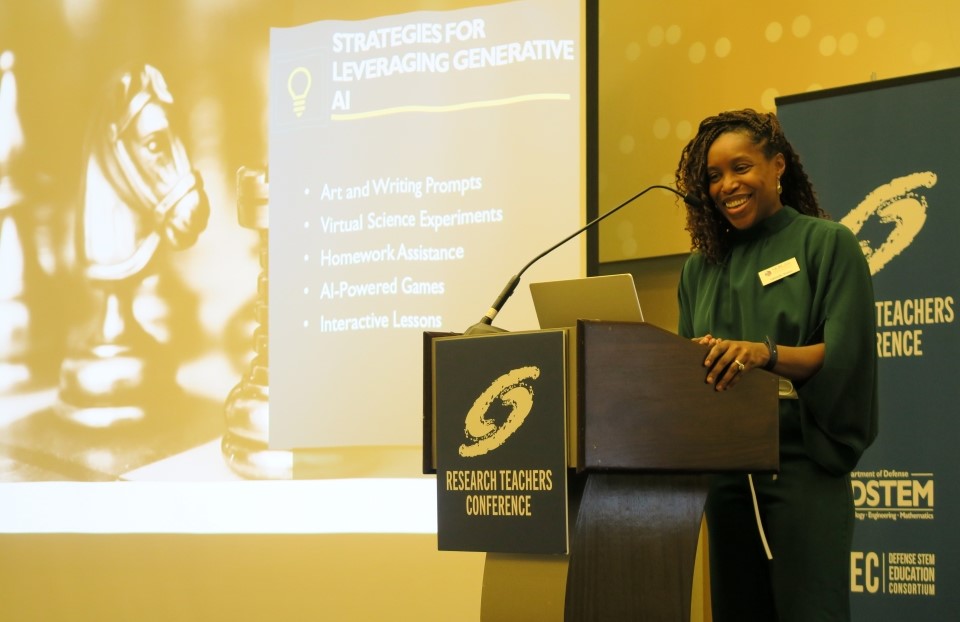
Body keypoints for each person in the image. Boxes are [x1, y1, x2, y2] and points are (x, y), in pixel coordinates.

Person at [674, 109, 878, 621]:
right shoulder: (699, 268)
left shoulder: (826, 243)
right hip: (726, 478)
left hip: (801, 466)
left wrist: (764, 354)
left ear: (778, 165)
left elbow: (845, 355)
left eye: (740, 167)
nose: (727, 185)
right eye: (714, 176)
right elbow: (683, 373)